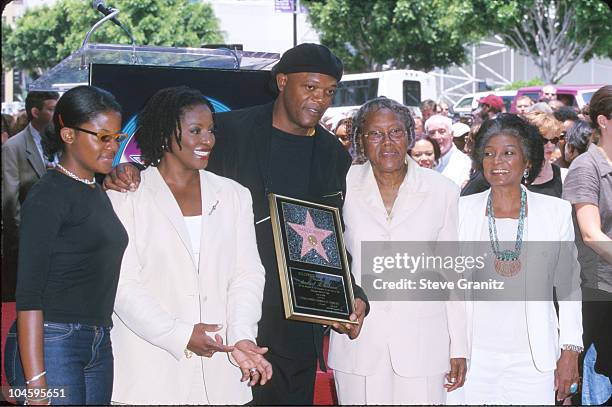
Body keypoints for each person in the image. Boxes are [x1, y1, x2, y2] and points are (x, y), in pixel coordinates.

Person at [103, 43, 370, 406]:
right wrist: (126, 170)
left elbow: (334, 235)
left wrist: (350, 294)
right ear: (281, 81)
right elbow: (167, 167)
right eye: (309, 87)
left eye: (328, 91)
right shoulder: (228, 131)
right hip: (221, 325)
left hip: (294, 321)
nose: (319, 99)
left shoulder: (332, 154)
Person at [107, 86, 271, 405]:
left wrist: (241, 337)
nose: (207, 140)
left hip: (222, 372)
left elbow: (247, 275)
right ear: (166, 132)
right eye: (195, 130)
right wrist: (181, 335)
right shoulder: (127, 196)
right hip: (148, 374)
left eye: (211, 130)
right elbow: (122, 285)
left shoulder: (235, 195)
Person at [328, 97, 467, 405]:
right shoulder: (341, 185)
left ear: (410, 136)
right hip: (358, 340)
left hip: (424, 344)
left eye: (395, 132)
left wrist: (459, 346)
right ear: (361, 140)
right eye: (375, 134)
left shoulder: (442, 191)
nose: (387, 142)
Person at [4, 86, 128, 405]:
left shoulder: (96, 190)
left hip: (98, 339)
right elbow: (29, 295)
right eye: (103, 137)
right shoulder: (48, 196)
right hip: (51, 341)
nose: (113, 146)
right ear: (69, 134)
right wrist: (35, 384)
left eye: (117, 137)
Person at [449, 114, 583, 405]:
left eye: (508, 153)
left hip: (534, 361)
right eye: (489, 153)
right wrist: (453, 348)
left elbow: (570, 287)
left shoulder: (555, 212)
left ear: (528, 161)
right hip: (473, 360)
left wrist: (570, 349)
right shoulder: (459, 211)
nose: (497, 161)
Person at [562, 85, 612, 405]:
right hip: (594, 288)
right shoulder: (586, 166)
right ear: (604, 121)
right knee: (573, 381)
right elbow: (591, 233)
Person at [2, 91, 60, 301]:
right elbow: (10, 199)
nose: (57, 113)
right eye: (52, 109)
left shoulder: (62, 141)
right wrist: (22, 239)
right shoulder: (14, 147)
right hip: (26, 241)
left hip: (58, 238)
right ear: (36, 112)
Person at [524, 111, 564, 197]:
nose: (550, 145)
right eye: (543, 140)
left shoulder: (564, 176)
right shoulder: (513, 175)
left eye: (554, 140)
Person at [425, 114, 472, 187]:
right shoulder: (421, 162)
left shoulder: (465, 163)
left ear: (452, 134)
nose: (437, 137)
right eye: (432, 133)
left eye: (442, 131)